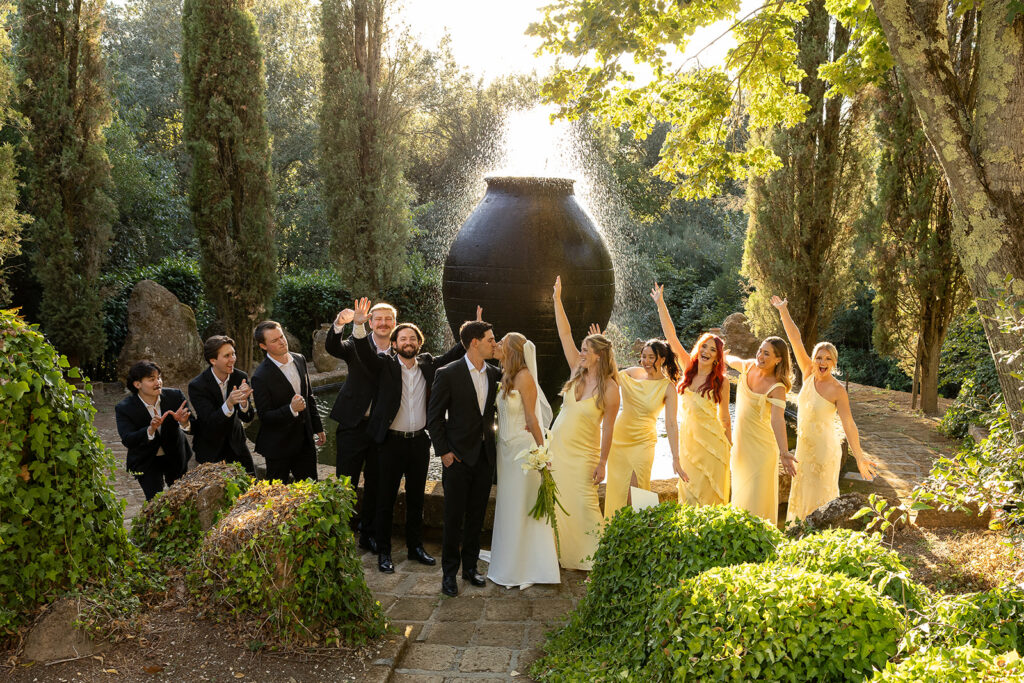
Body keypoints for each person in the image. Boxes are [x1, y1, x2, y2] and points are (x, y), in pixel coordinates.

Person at [353, 298, 475, 574]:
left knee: (417, 499)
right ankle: (384, 553)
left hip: (419, 443)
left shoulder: (429, 364)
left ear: (419, 343)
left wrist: (470, 327)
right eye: (402, 338)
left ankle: (415, 548)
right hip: (388, 444)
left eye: (412, 338)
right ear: (394, 344)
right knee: (385, 500)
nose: (407, 342)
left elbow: (456, 353)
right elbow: (363, 352)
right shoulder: (383, 365)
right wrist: (359, 326)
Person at [772, 296, 877, 521]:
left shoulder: (838, 390)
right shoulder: (808, 373)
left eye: (828, 359)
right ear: (813, 359)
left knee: (821, 502)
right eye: (819, 357)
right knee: (801, 498)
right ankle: (798, 543)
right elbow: (795, 339)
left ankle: (820, 545)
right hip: (803, 451)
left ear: (834, 363)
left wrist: (859, 457)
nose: (822, 361)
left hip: (825, 452)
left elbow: (849, 424)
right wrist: (783, 311)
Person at [549, 276, 619, 570]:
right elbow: (564, 335)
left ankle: (595, 560)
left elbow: (609, 428)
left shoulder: (611, 388)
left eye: (586, 350)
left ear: (600, 355)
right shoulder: (576, 371)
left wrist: (602, 462)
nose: (581, 352)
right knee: (556, 503)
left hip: (583, 456)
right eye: (582, 349)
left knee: (583, 505)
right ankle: (557, 555)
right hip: (557, 450)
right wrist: (556, 300)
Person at [427, 320, 501, 597]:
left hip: (484, 458)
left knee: (476, 517)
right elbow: (433, 418)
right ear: (474, 342)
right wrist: (444, 452)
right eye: (491, 340)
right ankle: (449, 575)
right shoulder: (448, 373)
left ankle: (470, 569)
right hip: (456, 458)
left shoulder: (495, 373)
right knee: (453, 517)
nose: (495, 344)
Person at [488, 332, 560, 589]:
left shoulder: (525, 377)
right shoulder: (506, 375)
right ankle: (509, 558)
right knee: (509, 503)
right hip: (504, 451)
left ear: (514, 351)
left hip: (522, 451)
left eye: (501, 344)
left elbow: (531, 418)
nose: (496, 346)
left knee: (522, 504)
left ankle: (527, 565)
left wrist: (543, 454)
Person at [326, 298, 396, 552]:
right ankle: (342, 533)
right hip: (352, 424)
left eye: (388, 319)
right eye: (378, 319)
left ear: (394, 323)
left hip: (381, 430)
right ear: (370, 322)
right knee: (346, 481)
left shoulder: (400, 352)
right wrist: (339, 324)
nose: (383, 323)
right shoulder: (356, 345)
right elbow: (332, 346)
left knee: (376, 483)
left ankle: (368, 534)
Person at [651, 283, 731, 505]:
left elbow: (725, 418)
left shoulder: (722, 382)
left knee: (710, 495)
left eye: (712, 350)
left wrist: (729, 445)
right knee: (689, 492)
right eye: (704, 346)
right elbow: (672, 337)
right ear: (699, 349)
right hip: (688, 442)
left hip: (713, 444)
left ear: (717, 357)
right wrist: (660, 303)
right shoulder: (688, 368)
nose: (706, 351)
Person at [597, 327, 683, 519]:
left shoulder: (668, 388)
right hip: (620, 439)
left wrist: (675, 457)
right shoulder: (631, 373)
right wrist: (602, 348)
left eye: (650, 357)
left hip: (644, 441)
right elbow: (608, 375)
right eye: (643, 356)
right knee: (618, 489)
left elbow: (671, 424)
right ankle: (614, 536)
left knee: (638, 491)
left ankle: (642, 536)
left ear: (661, 359)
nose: (645, 361)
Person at [726, 337, 797, 525]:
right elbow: (731, 360)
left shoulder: (778, 387)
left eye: (767, 353)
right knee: (740, 494)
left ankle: (759, 543)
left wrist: (784, 452)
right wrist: (722, 355)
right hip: (741, 447)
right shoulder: (748, 366)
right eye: (760, 350)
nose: (760, 356)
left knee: (756, 497)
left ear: (778, 359)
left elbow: (777, 420)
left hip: (761, 450)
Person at [251, 320, 325, 482]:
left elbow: (309, 396)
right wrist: (291, 409)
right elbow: (265, 417)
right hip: (278, 446)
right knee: (277, 496)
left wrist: (318, 427)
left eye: (281, 337)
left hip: (305, 442)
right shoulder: (260, 377)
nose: (282, 342)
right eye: (274, 340)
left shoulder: (299, 359)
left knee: (310, 491)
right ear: (263, 346)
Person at [115, 361, 192, 501]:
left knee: (183, 498)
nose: (158, 382)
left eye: (159, 377)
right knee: (154, 502)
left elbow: (192, 426)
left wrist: (184, 422)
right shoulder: (124, 408)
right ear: (137, 384)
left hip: (175, 454)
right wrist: (150, 429)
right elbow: (128, 439)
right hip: (146, 459)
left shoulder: (175, 397)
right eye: (152, 379)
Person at [187, 335, 255, 475]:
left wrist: (243, 404)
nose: (233, 359)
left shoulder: (240, 376)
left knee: (252, 489)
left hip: (238, 446)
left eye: (233, 353)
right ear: (213, 360)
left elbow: (247, 418)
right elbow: (210, 421)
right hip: (210, 450)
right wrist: (229, 403)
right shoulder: (197, 386)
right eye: (227, 356)